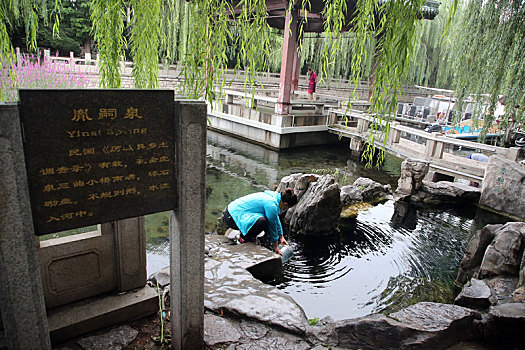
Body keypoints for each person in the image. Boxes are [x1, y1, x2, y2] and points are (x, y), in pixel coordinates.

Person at [222, 188, 297, 255]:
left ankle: (257, 239)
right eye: (288, 207)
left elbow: (275, 217)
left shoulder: (275, 197)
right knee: (262, 222)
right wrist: (275, 246)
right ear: (285, 204)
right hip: (232, 217)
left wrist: (281, 236)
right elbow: (272, 226)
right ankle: (242, 238)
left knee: (266, 220)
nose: (286, 209)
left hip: (234, 211)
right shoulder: (271, 204)